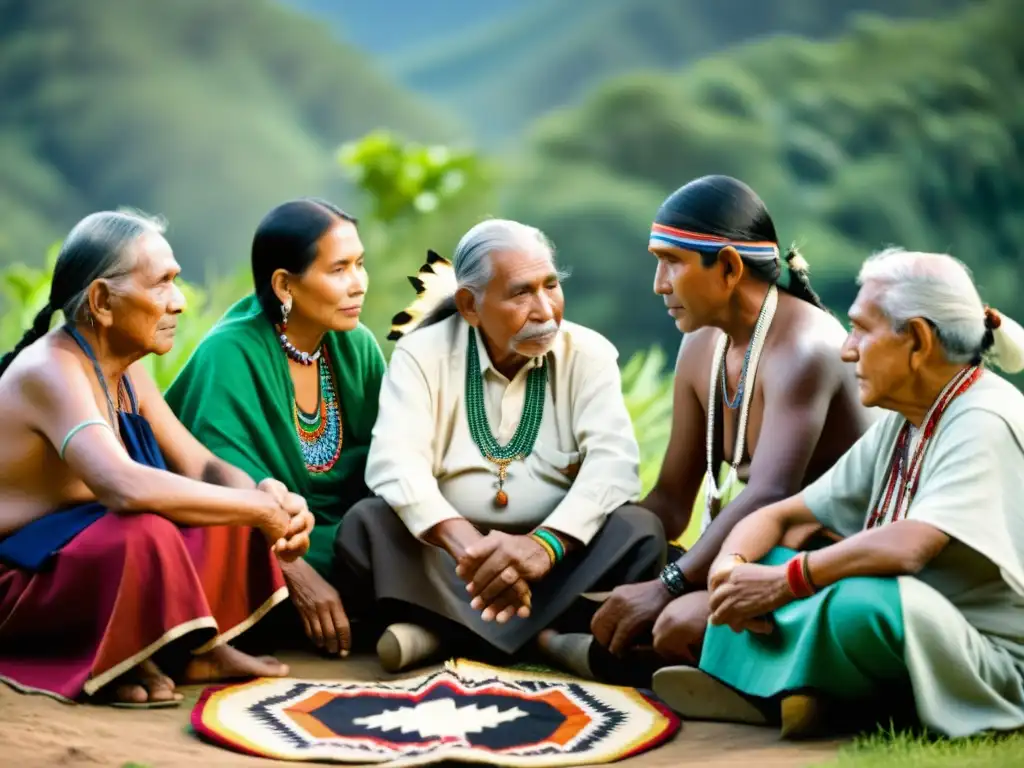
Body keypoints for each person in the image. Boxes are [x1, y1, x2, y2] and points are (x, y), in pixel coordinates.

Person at [652, 248, 1024, 739]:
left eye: (862, 330)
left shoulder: (985, 417)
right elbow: (785, 516)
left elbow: (911, 545)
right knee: (785, 563)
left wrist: (786, 583)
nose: (847, 350)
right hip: (912, 614)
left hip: (988, 656)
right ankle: (803, 691)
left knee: (856, 602)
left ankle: (792, 693)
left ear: (916, 340)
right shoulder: (906, 419)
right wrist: (731, 568)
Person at [0, 211, 314, 707]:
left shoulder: (124, 368)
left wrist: (264, 494)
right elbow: (121, 486)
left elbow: (203, 466)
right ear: (102, 301)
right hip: (21, 582)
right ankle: (105, 657)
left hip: (79, 562)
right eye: (163, 283)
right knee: (144, 527)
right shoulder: (51, 369)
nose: (180, 302)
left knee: (220, 502)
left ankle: (195, 648)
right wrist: (257, 511)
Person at [335, 219, 666, 673]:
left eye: (551, 286)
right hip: (452, 560)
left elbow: (614, 467)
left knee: (639, 529)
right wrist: (470, 550)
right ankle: (549, 641)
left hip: (556, 560)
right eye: (521, 293)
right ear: (470, 305)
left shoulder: (589, 355)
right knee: (367, 525)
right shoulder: (422, 355)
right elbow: (396, 464)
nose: (545, 310)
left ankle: (440, 635)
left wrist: (542, 547)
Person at [577, 175, 873, 675]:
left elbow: (768, 494)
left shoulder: (805, 350)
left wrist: (668, 584)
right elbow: (671, 502)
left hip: (824, 553)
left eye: (672, 262)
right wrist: (567, 531)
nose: (659, 284)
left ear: (730, 267)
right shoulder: (702, 345)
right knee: (622, 553)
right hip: (743, 551)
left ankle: (799, 688)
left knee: (677, 624)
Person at [166, 199, 385, 659]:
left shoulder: (356, 345)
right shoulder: (229, 354)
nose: (359, 284)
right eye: (339, 269)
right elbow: (222, 497)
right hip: (253, 547)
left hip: (340, 540)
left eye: (360, 265)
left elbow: (387, 464)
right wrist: (298, 573)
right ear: (285, 284)